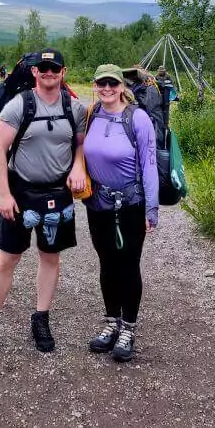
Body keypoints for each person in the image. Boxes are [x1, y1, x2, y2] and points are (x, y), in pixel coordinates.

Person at [0, 48, 88, 357]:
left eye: (55, 68)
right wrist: (5, 195)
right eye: (43, 68)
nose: (49, 72)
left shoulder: (74, 108)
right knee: (7, 258)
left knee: (50, 258)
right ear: (34, 72)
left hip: (58, 196)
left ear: (63, 72)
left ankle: (41, 319)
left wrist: (78, 165)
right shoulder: (17, 106)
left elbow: (80, 145)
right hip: (21, 193)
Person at [81, 64, 158, 362]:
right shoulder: (91, 115)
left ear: (122, 86)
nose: (107, 89)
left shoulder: (137, 118)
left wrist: (150, 209)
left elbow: (149, 165)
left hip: (130, 204)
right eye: (102, 83)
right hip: (97, 204)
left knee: (128, 264)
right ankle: (111, 323)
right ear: (95, 85)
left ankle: (128, 328)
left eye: (113, 83)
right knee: (106, 263)